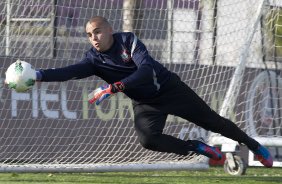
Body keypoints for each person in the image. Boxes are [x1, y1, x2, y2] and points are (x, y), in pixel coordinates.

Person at [35, 16, 273, 167]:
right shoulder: (93, 59)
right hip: (146, 103)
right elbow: (69, 71)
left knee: (215, 122)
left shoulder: (128, 41)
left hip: (171, 90)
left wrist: (115, 87)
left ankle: (253, 145)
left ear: (109, 29)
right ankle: (196, 147)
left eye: (97, 31)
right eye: (89, 35)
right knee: (148, 140)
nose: (93, 38)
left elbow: (146, 71)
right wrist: (39, 75)